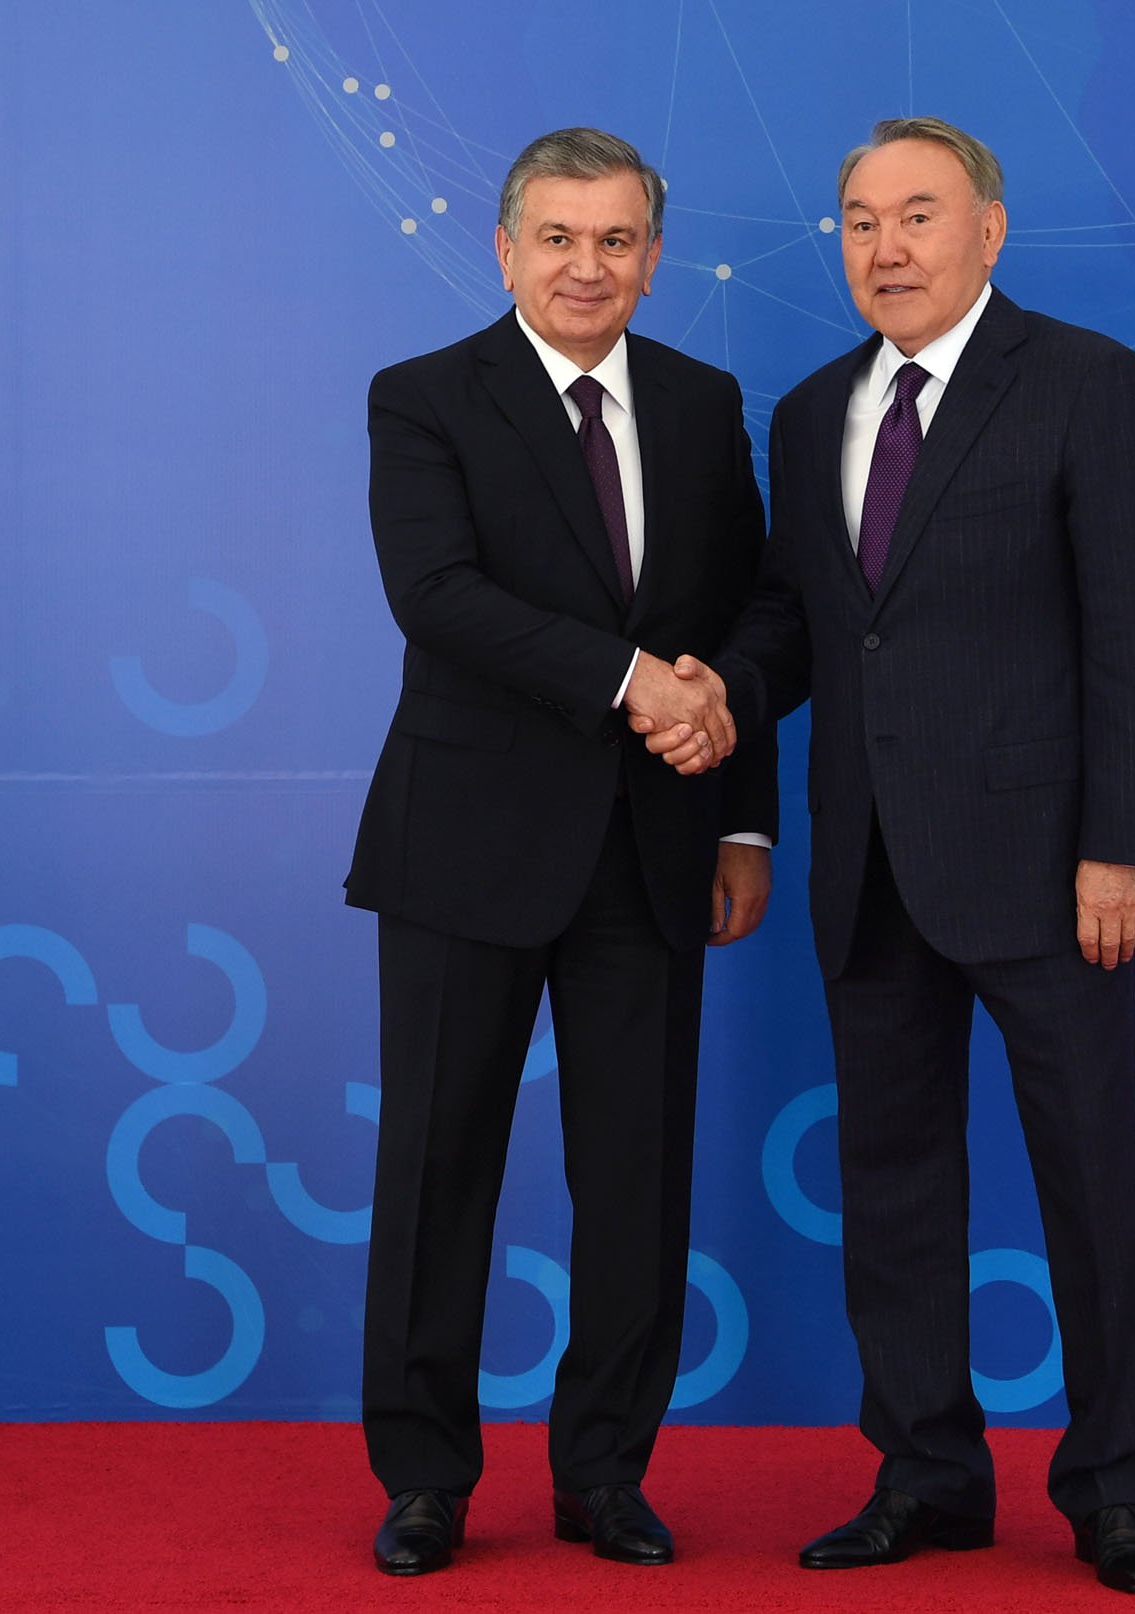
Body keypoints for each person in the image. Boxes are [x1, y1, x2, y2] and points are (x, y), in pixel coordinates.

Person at [641, 117, 1135, 1594]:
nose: (885, 248)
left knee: (1089, 1179)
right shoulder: (812, 411)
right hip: (871, 863)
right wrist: (716, 690)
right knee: (890, 1185)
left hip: (1051, 871)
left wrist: (1120, 847)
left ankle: (1114, 1489)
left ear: (990, 230)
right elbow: (798, 619)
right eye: (859, 221)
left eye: (919, 215)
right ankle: (927, 1475)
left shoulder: (1088, 385)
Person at [346, 127, 775, 1576]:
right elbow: (437, 594)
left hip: (656, 843)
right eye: (557, 237)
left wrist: (740, 815)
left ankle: (604, 1471)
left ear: (653, 258)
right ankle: (424, 1476)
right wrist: (629, 679)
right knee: (436, 1162)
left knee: (636, 1174)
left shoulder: (705, 403)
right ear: (505, 249)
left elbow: (738, 617)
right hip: (466, 842)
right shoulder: (423, 397)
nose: (586, 266)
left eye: (616, 240)